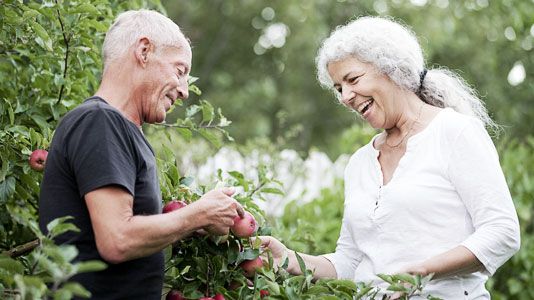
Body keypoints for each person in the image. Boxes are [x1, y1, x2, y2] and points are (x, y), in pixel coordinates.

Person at [258, 16, 520, 299]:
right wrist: (287, 258)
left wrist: (418, 274)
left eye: (352, 79)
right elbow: (351, 261)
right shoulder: (360, 162)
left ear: (391, 68)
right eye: (338, 88)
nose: (345, 96)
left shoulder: (453, 132)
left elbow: (502, 232)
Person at [38, 10, 244, 299]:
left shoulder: (119, 128)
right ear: (144, 51)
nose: (185, 91)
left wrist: (187, 221)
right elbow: (117, 239)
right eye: (180, 71)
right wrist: (197, 215)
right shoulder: (99, 121)